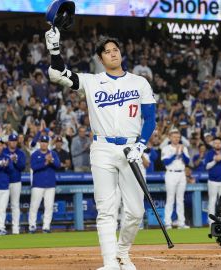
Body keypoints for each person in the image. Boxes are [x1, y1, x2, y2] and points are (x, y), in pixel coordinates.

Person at [45, 23, 157, 269]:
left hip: (132, 149)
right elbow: (57, 74)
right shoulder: (91, 81)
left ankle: (122, 252)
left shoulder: (139, 82)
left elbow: (150, 117)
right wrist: (54, 49)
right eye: (107, 51)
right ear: (100, 58)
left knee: (136, 212)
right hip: (103, 149)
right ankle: (110, 262)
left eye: (115, 49)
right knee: (106, 209)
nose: (113, 53)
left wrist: (141, 145)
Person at [29, 135, 61, 233]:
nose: (44, 144)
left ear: (48, 144)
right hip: (38, 184)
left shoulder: (53, 153)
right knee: (34, 206)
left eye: (45, 142)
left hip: (50, 185)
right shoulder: (35, 154)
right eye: (42, 142)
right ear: (39, 143)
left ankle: (46, 226)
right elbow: (33, 167)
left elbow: (58, 165)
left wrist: (51, 160)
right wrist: (45, 162)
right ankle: (32, 226)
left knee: (49, 206)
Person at [161, 129, 190, 230]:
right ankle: (168, 223)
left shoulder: (183, 148)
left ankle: (181, 223)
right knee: (170, 199)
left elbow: (187, 161)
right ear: (170, 138)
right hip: (171, 173)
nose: (176, 139)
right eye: (174, 137)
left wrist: (181, 152)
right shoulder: (166, 148)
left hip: (181, 174)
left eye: (178, 137)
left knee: (180, 199)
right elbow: (166, 162)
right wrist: (175, 153)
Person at [204, 137, 221, 224]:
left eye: (219, 143)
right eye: (215, 143)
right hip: (212, 181)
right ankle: (211, 221)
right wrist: (215, 160)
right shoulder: (209, 153)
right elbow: (207, 166)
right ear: (213, 144)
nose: (217, 144)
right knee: (212, 201)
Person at [3, 134, 26, 234]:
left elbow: (22, 167)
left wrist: (15, 160)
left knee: (15, 205)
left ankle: (15, 227)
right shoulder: (3, 152)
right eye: (11, 141)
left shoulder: (20, 153)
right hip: (4, 181)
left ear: (17, 142)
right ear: (8, 142)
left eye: (15, 141)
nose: (13, 142)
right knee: (2, 206)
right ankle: (0, 227)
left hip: (16, 181)